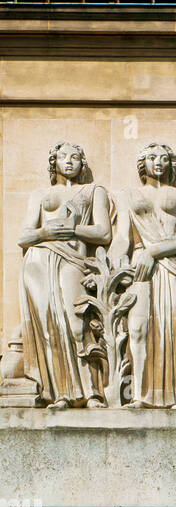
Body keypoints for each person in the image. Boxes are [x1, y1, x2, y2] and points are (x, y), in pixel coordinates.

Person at [17, 141, 112, 408]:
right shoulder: (40, 194)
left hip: (73, 258)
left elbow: (103, 232)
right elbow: (24, 235)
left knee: (76, 323)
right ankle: (62, 393)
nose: (69, 161)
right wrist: (45, 233)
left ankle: (93, 391)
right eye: (63, 157)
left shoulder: (93, 191)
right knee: (50, 327)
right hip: (39, 260)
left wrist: (73, 230)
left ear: (83, 164)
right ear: (54, 162)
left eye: (75, 157)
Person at [110, 142, 176, 408]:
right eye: (151, 157)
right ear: (143, 164)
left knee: (175, 328)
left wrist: (152, 252)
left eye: (163, 158)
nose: (158, 162)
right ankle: (139, 394)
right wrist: (116, 264)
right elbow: (121, 238)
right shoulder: (128, 195)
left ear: (170, 164)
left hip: (175, 266)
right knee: (138, 329)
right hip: (140, 267)